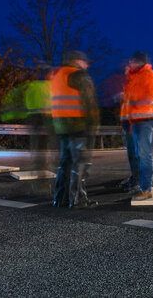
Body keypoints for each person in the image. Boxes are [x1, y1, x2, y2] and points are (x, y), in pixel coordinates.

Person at [50, 51, 100, 209]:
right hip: (78, 125)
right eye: (85, 63)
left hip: (61, 125)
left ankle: (59, 198)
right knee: (80, 164)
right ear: (78, 61)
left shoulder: (57, 76)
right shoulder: (80, 76)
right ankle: (78, 199)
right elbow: (89, 102)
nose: (87, 66)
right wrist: (93, 125)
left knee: (64, 163)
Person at [120, 51, 153, 201]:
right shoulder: (135, 76)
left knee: (145, 155)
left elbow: (145, 98)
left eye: (132, 61)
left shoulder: (148, 76)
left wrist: (130, 94)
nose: (129, 63)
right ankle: (141, 186)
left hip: (145, 121)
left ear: (139, 62)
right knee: (140, 154)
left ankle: (146, 189)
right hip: (136, 121)